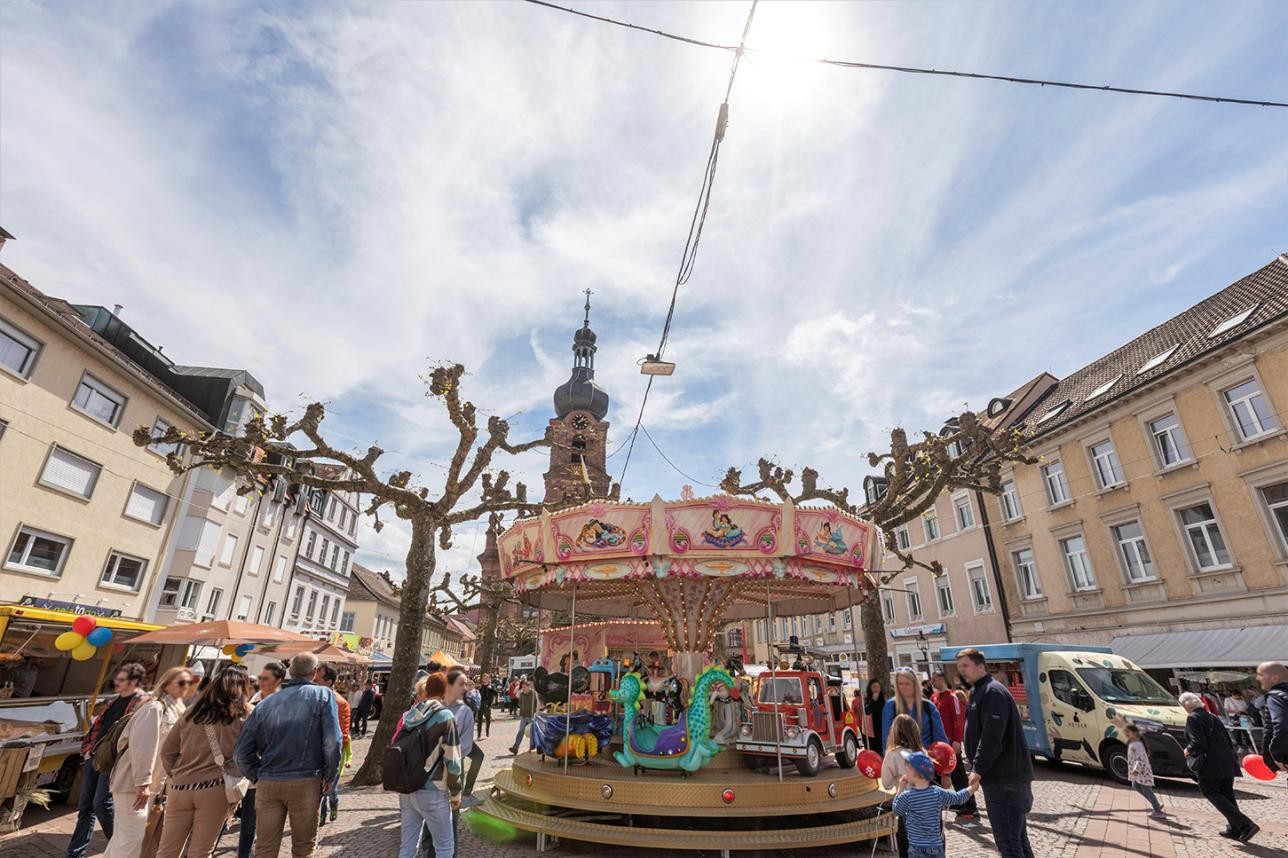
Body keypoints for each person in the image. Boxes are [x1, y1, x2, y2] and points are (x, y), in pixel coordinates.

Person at [233, 653, 341, 858]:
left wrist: (258, 775)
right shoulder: (323, 695)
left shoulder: (265, 704)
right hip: (306, 780)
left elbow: (240, 753)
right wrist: (329, 776)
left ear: (290, 672)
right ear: (314, 672)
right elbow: (332, 741)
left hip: (269, 780)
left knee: (265, 847)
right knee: (303, 847)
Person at [156, 666, 252, 858]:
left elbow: (167, 751)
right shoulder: (245, 714)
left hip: (181, 786)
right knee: (201, 851)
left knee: (167, 850)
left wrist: (176, 774)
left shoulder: (192, 711)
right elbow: (251, 754)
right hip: (216, 788)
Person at [103, 666, 191, 858]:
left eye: (189, 683)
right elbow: (143, 748)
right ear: (166, 684)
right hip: (133, 784)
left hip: (148, 786)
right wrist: (142, 784)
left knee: (123, 838)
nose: (186, 687)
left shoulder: (176, 710)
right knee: (131, 840)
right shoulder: (155, 708)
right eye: (181, 682)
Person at [67, 661, 150, 858]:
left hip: (114, 761)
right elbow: (98, 725)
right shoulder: (115, 699)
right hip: (95, 757)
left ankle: (121, 845)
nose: (117, 682)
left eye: (122, 679)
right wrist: (88, 749)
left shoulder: (143, 703)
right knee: (86, 806)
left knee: (101, 804)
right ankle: (75, 853)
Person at [956, 648, 1034, 858]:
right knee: (1017, 841)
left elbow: (992, 735)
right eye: (959, 667)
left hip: (1005, 780)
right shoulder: (979, 691)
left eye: (965, 666)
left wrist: (978, 768)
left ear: (981, 666)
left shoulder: (992, 692)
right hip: (1000, 779)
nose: (961, 671)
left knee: (1009, 844)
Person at [396, 673, 462, 858]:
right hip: (433, 788)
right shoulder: (445, 716)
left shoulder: (410, 715)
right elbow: (453, 759)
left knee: (408, 847)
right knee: (444, 847)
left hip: (408, 789)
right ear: (445, 691)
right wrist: (455, 793)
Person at [1180, 691, 1259, 842]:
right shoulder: (1213, 717)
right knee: (1227, 794)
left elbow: (1198, 743)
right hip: (1227, 761)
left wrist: (1188, 750)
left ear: (1185, 706)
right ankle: (1235, 828)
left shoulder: (1193, 718)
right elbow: (1228, 739)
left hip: (1210, 764)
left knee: (1210, 791)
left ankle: (1245, 824)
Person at [238, 662, 285, 858]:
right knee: (245, 820)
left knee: (257, 821)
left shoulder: (283, 705)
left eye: (266, 679)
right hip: (245, 771)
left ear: (278, 681)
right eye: (261, 678)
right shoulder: (251, 702)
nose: (262, 682)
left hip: (266, 771)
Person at [891, 750, 978, 858]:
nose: (905, 773)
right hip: (936, 846)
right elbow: (958, 797)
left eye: (907, 769)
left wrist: (900, 789)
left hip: (917, 848)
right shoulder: (937, 792)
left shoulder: (907, 796)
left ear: (914, 773)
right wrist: (972, 788)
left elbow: (896, 810)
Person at [930, 672, 976, 821]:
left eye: (934, 679)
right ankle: (954, 801)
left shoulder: (952, 698)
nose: (932, 682)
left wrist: (957, 740)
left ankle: (969, 805)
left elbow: (958, 719)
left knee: (958, 775)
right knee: (940, 775)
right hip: (938, 744)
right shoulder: (933, 697)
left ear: (942, 680)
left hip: (950, 742)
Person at [881, 713, 925, 858]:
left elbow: (886, 784)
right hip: (927, 804)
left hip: (907, 807)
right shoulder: (923, 753)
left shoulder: (893, 755)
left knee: (907, 849)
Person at [314, 664, 351, 826]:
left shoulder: (340, 703)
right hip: (313, 754)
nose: (314, 682)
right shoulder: (312, 698)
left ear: (328, 682)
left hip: (329, 754)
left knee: (328, 788)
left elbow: (342, 736)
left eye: (317, 680)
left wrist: (333, 755)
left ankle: (326, 811)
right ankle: (319, 817)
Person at [881, 669, 948, 752]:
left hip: (926, 756)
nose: (904, 687)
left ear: (915, 684)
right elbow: (887, 740)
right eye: (900, 684)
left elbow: (940, 738)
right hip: (900, 757)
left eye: (907, 684)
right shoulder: (890, 706)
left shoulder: (928, 706)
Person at [1122, 723, 1166, 818]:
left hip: (1142, 772)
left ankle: (1158, 811)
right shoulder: (1134, 743)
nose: (1126, 734)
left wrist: (1136, 769)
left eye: (1128, 732)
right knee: (1135, 785)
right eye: (1125, 732)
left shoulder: (1137, 745)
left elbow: (1140, 759)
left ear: (1134, 733)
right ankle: (1156, 804)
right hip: (1139, 772)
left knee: (1146, 789)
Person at [1256, 661, 1288, 774]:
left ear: (1275, 678)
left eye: (1260, 675)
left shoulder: (1275, 696)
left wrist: (1277, 755)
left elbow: (1282, 725)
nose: (1257, 678)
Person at [509, 678, 538, 755]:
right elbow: (520, 703)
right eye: (522, 687)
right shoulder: (521, 694)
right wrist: (521, 708)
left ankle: (534, 746)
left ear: (529, 687)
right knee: (520, 732)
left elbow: (537, 704)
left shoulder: (534, 694)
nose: (523, 689)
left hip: (531, 716)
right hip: (523, 716)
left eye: (525, 687)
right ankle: (515, 748)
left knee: (533, 732)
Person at [863, 679, 886, 755]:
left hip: (882, 729)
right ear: (870, 688)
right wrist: (873, 700)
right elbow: (867, 711)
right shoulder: (867, 699)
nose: (876, 689)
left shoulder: (883, 699)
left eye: (877, 687)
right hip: (872, 732)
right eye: (874, 687)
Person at [476, 674, 496, 739]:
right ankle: (479, 735)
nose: (485, 679)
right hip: (480, 704)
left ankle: (487, 732)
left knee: (488, 719)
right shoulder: (479, 687)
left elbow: (496, 693)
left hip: (487, 704)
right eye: (484, 678)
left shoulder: (491, 686)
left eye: (486, 678)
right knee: (479, 720)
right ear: (482, 679)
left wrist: (491, 689)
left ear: (488, 679)